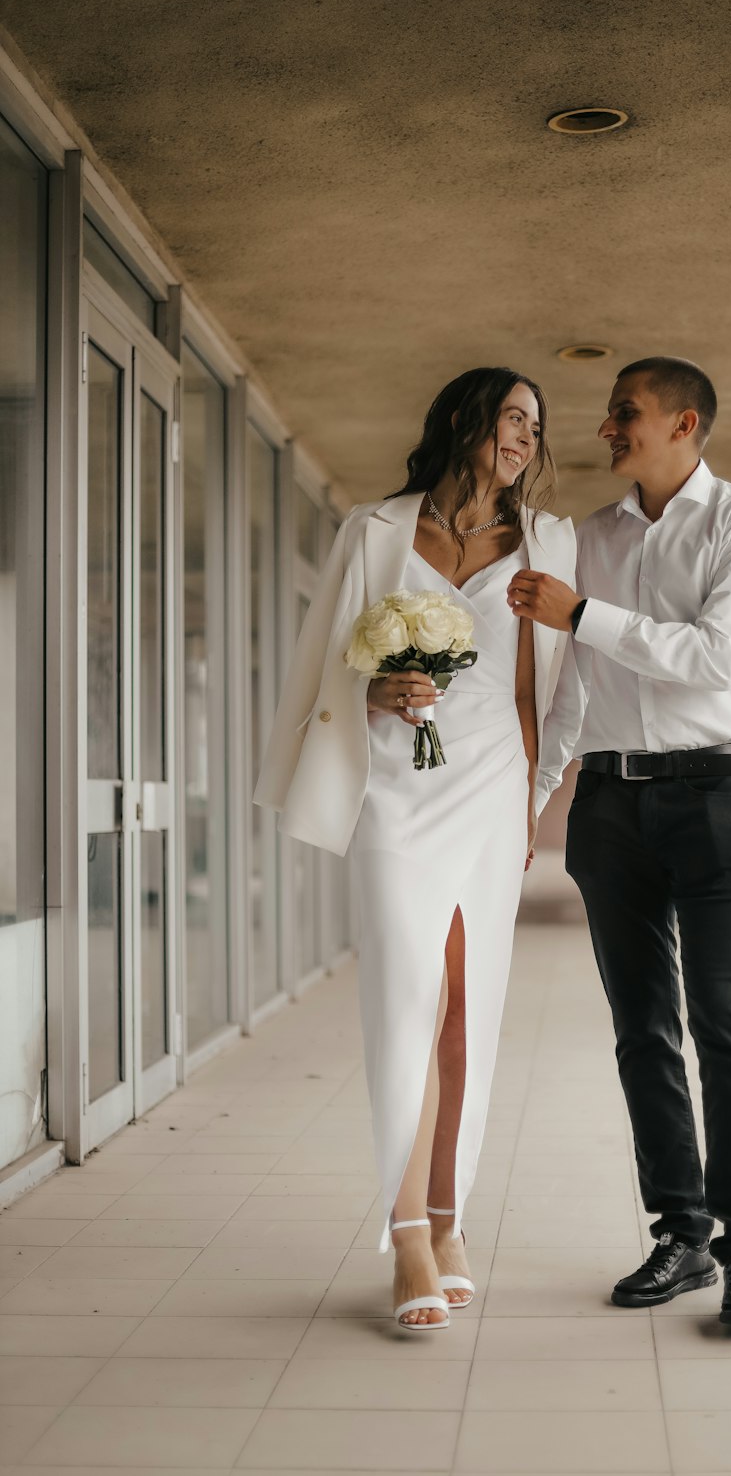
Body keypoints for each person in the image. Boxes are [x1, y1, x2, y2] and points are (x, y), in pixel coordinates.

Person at [255, 367, 575, 1330]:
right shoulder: (377, 531)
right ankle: (403, 1238)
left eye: (534, 425)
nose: (523, 437)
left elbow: (546, 691)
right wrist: (373, 694)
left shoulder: (548, 543)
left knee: (466, 1012)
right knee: (407, 996)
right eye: (510, 417)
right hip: (398, 791)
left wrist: (533, 800)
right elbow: (324, 665)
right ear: (461, 422)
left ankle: (449, 1221)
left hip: (489, 790)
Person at [507, 356, 731, 1327]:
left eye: (625, 412)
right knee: (640, 1029)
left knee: (725, 1020)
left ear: (685, 423)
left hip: (715, 792)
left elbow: (717, 660)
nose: (606, 429)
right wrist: (526, 813)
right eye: (610, 413)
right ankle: (682, 1236)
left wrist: (582, 613)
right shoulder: (589, 538)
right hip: (609, 809)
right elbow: (571, 696)